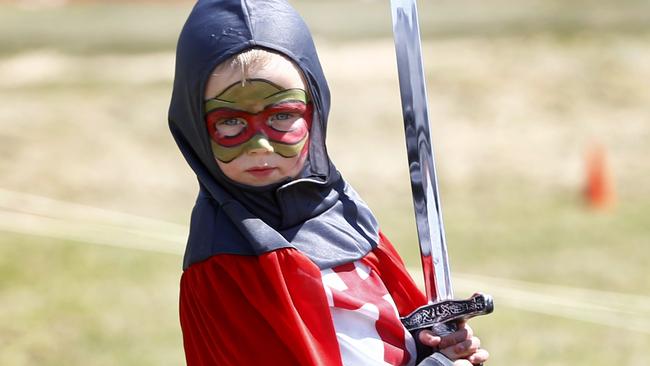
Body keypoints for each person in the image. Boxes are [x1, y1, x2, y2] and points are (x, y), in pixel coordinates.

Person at [168, 1, 489, 365]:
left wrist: (432, 345)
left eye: (283, 115)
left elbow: (381, 333)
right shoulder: (226, 270)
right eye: (230, 121)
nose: (259, 147)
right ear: (195, 125)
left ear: (314, 110)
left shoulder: (345, 215)